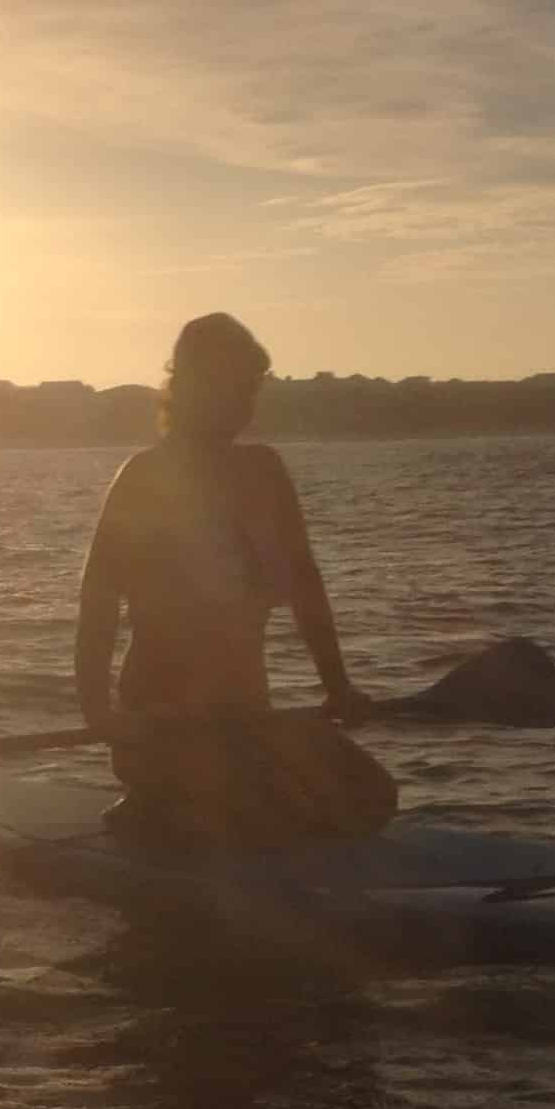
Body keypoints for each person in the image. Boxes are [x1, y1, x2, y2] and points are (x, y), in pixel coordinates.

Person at [74, 313, 398, 855]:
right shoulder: (144, 479)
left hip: (246, 720)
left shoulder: (265, 472)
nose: (247, 405)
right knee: (252, 824)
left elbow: (305, 586)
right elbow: (98, 603)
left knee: (371, 797)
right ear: (193, 389)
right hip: (161, 728)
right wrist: (99, 714)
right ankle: (154, 805)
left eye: (252, 390)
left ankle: (195, 812)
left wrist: (337, 686)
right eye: (235, 389)